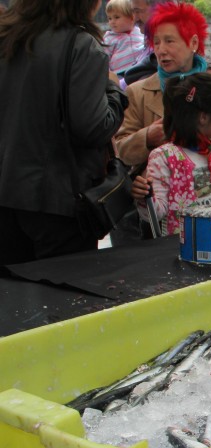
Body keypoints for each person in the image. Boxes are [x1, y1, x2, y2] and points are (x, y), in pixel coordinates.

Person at [0, 0, 127, 264]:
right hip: (59, 203)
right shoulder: (80, 46)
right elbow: (93, 126)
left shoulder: (7, 38)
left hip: (8, 195)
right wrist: (114, 92)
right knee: (64, 298)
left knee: (11, 298)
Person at [114, 2, 211, 192]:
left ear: (193, 43)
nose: (161, 50)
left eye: (169, 41)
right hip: (163, 204)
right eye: (157, 42)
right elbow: (121, 150)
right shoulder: (138, 92)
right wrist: (146, 137)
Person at [130, 73, 211, 237]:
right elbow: (155, 213)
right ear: (203, 117)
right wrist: (145, 198)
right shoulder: (165, 157)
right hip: (181, 247)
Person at [104, 0, 144, 75]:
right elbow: (104, 58)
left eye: (116, 17)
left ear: (131, 17)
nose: (112, 21)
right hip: (119, 73)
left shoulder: (139, 32)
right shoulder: (109, 38)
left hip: (139, 70)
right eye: (110, 18)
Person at [122, 0, 158, 85]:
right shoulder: (148, 41)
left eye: (137, 11)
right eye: (133, 11)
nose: (135, 18)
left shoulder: (161, 54)